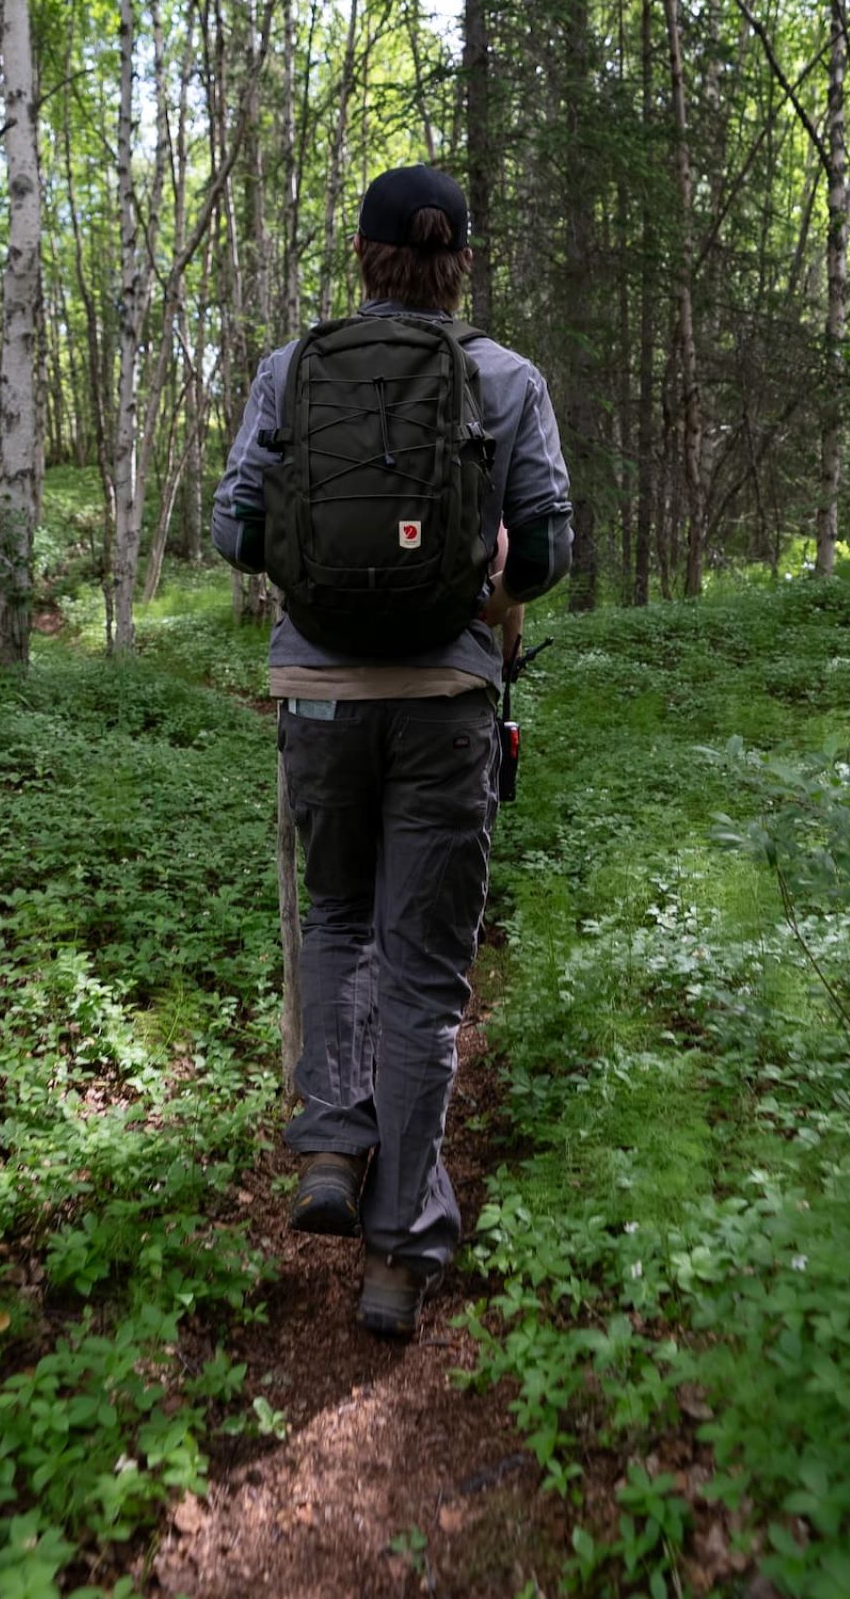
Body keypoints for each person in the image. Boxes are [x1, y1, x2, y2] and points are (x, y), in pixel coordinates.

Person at [211, 164, 574, 1340]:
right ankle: (399, 1254)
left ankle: (327, 1144)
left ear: (362, 257)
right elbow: (548, 556)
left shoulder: (292, 369)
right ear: (458, 259)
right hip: (445, 695)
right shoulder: (506, 378)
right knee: (423, 978)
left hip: (316, 696)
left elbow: (234, 532)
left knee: (333, 919)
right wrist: (477, 583)